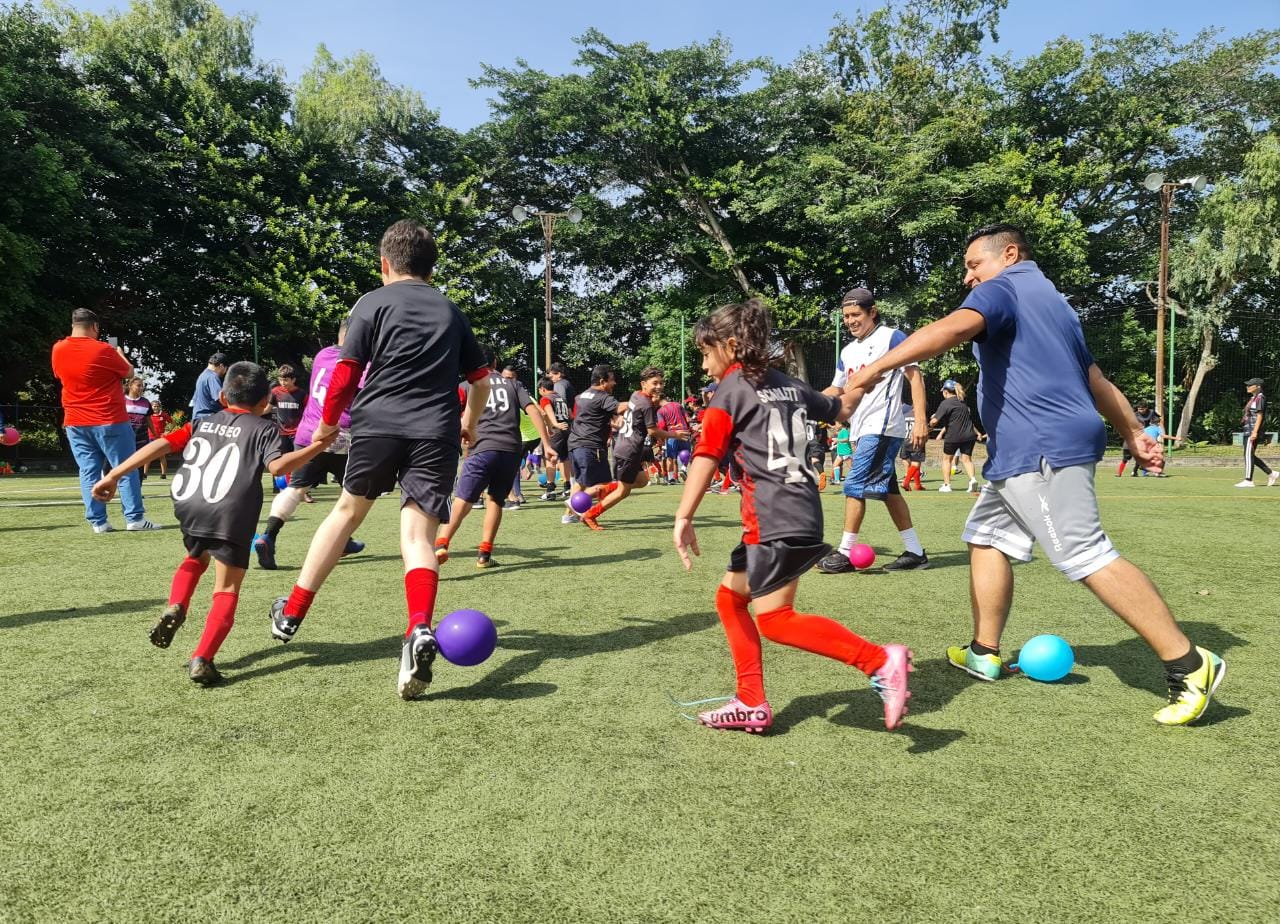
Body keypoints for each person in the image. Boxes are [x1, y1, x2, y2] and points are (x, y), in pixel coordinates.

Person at [848, 223, 1225, 726]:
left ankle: (1190, 662)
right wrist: (1133, 432)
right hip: (1021, 451)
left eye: (973, 265)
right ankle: (984, 650)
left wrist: (876, 369)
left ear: (1009, 254)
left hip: (1041, 445)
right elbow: (1095, 379)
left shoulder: (1006, 287)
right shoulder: (1057, 306)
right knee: (984, 537)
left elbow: (951, 330)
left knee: (1084, 553)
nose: (968, 278)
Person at [267, 220, 490, 701]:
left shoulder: (369, 303)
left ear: (385, 264)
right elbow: (479, 379)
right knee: (417, 533)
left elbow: (346, 372)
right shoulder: (452, 312)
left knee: (346, 514)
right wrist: (469, 423)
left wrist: (327, 425)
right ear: (432, 265)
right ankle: (418, 629)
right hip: (436, 430)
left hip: (377, 425)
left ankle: (292, 612)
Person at [672, 298, 913, 734]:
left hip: (771, 514)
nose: (705, 365)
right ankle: (750, 700)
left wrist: (683, 516)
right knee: (730, 599)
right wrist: (864, 381)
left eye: (706, 353)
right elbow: (840, 409)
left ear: (730, 346)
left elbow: (707, 453)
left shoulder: (730, 390)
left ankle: (879, 660)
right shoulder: (789, 384)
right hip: (799, 509)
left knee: (777, 619)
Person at [91, 362, 333, 684]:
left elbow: (162, 444)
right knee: (227, 588)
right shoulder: (264, 429)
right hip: (231, 512)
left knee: (195, 558)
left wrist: (113, 474)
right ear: (265, 402)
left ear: (221, 395)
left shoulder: (202, 421)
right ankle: (202, 658)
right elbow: (277, 468)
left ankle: (176, 604)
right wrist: (320, 446)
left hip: (191, 506)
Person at [817, 288, 930, 573]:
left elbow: (914, 378)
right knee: (890, 491)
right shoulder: (848, 350)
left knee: (853, 485)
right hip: (861, 428)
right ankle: (915, 552)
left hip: (883, 426)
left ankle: (844, 553)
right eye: (846, 316)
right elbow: (839, 387)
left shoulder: (892, 337)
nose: (851, 321)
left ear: (872, 312)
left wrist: (920, 420)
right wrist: (808, 400)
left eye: (856, 315)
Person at [253, 321, 367, 569]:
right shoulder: (361, 363)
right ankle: (342, 540)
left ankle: (268, 535)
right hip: (341, 434)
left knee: (295, 489)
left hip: (307, 434)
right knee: (352, 493)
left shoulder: (323, 355)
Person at [435, 354, 557, 566]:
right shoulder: (513, 384)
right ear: (495, 362)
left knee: (463, 500)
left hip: (481, 447)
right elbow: (533, 411)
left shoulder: (466, 385)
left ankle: (441, 544)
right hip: (510, 450)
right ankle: (484, 555)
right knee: (496, 501)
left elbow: (450, 413)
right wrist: (546, 444)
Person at [51, 309, 158, 533]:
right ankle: (135, 518)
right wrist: (118, 353)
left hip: (75, 420)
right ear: (95, 327)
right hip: (109, 418)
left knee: (88, 471)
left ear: (73, 324)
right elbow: (129, 372)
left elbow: (61, 376)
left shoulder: (58, 349)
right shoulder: (103, 350)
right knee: (126, 467)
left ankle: (98, 522)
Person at [580, 367, 688, 530]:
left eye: (661, 382)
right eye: (655, 383)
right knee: (623, 491)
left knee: (642, 480)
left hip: (627, 448)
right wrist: (676, 435)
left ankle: (605, 489)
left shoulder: (636, 395)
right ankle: (590, 514)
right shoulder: (647, 405)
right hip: (628, 451)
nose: (659, 386)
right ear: (644, 383)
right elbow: (652, 431)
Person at [563, 364, 620, 524]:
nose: (614, 383)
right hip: (590, 445)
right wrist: (637, 402)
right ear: (602, 381)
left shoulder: (580, 397)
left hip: (575, 443)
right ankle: (573, 504)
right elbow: (618, 407)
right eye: (612, 380)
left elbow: (586, 416)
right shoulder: (603, 397)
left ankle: (568, 515)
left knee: (580, 482)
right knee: (603, 483)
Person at [930, 379, 985, 494]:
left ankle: (947, 485)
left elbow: (934, 421)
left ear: (946, 391)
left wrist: (929, 424)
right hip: (969, 436)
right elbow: (968, 421)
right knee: (967, 460)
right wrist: (978, 433)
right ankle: (972, 480)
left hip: (953, 436)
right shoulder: (962, 403)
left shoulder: (945, 403)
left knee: (947, 460)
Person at [537, 377, 572, 499]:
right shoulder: (561, 398)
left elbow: (547, 411)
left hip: (556, 430)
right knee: (564, 458)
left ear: (542, 389)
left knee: (550, 457)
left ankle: (550, 490)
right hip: (567, 428)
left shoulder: (545, 398)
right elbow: (569, 412)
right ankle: (567, 488)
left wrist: (554, 424)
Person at [1236, 378, 1275, 488]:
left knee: (1248, 455)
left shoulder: (1260, 398)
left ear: (1258, 386)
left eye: (1250, 385)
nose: (1247, 387)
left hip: (1253, 431)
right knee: (1249, 455)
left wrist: (1255, 432)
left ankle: (1248, 480)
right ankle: (1271, 473)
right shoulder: (1253, 398)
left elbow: (1260, 416)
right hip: (1247, 430)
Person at [1117, 400, 1160, 477]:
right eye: (1139, 409)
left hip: (1146, 436)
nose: (1140, 411)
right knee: (1127, 457)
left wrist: (1154, 425)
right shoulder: (1134, 415)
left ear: (1146, 408)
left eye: (1142, 409)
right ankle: (1120, 472)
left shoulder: (1151, 412)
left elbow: (1158, 420)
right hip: (1136, 437)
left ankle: (1138, 471)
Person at [269, 364, 307, 453]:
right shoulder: (275, 392)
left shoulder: (301, 394)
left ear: (293, 380)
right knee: (284, 457)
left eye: (286, 380)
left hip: (297, 432)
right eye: (280, 380)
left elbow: (308, 412)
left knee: (297, 457)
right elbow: (267, 408)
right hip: (282, 432)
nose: (282, 383)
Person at [658, 396, 693, 485]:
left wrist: (662, 437)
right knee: (686, 452)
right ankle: (683, 469)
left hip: (672, 434)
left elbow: (661, 425)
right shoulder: (678, 405)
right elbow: (687, 419)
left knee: (670, 457)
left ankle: (671, 478)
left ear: (660, 401)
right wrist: (689, 429)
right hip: (684, 431)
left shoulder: (660, 411)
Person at [190, 353, 228, 423]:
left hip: (197, 420)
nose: (224, 372)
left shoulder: (202, 375)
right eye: (226, 369)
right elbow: (221, 399)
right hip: (207, 420)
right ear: (221, 366)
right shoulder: (213, 377)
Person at [144, 400, 172, 479]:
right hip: (150, 438)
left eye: (157, 406)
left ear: (159, 407)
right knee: (147, 456)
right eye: (154, 406)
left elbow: (172, 422)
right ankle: (144, 474)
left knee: (161, 456)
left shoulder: (164, 415)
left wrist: (167, 431)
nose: (155, 408)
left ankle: (163, 474)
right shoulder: (148, 415)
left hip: (160, 439)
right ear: (151, 407)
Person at [124, 378, 151, 453]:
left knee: (140, 459)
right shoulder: (121, 400)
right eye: (138, 385)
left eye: (142, 386)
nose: (141, 388)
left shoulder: (146, 402)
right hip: (124, 436)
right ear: (130, 386)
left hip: (142, 437)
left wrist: (155, 434)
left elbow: (148, 419)